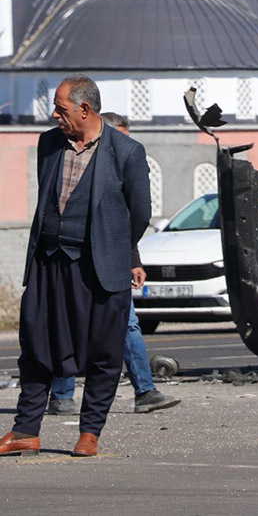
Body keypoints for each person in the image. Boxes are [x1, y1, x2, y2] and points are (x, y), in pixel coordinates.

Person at [0, 75, 152, 458]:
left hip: (100, 268)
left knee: (105, 351)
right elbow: (46, 194)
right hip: (49, 262)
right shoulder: (50, 143)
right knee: (35, 345)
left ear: (85, 109)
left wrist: (119, 250)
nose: (54, 115)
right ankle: (25, 431)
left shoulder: (127, 152)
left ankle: (89, 433)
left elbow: (140, 214)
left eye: (61, 108)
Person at [46, 112, 180, 417]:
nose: (123, 144)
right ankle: (62, 393)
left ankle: (145, 390)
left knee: (127, 323)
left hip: (110, 262)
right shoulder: (80, 161)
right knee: (68, 323)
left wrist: (131, 259)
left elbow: (128, 218)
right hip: (74, 259)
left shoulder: (126, 160)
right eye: (118, 137)